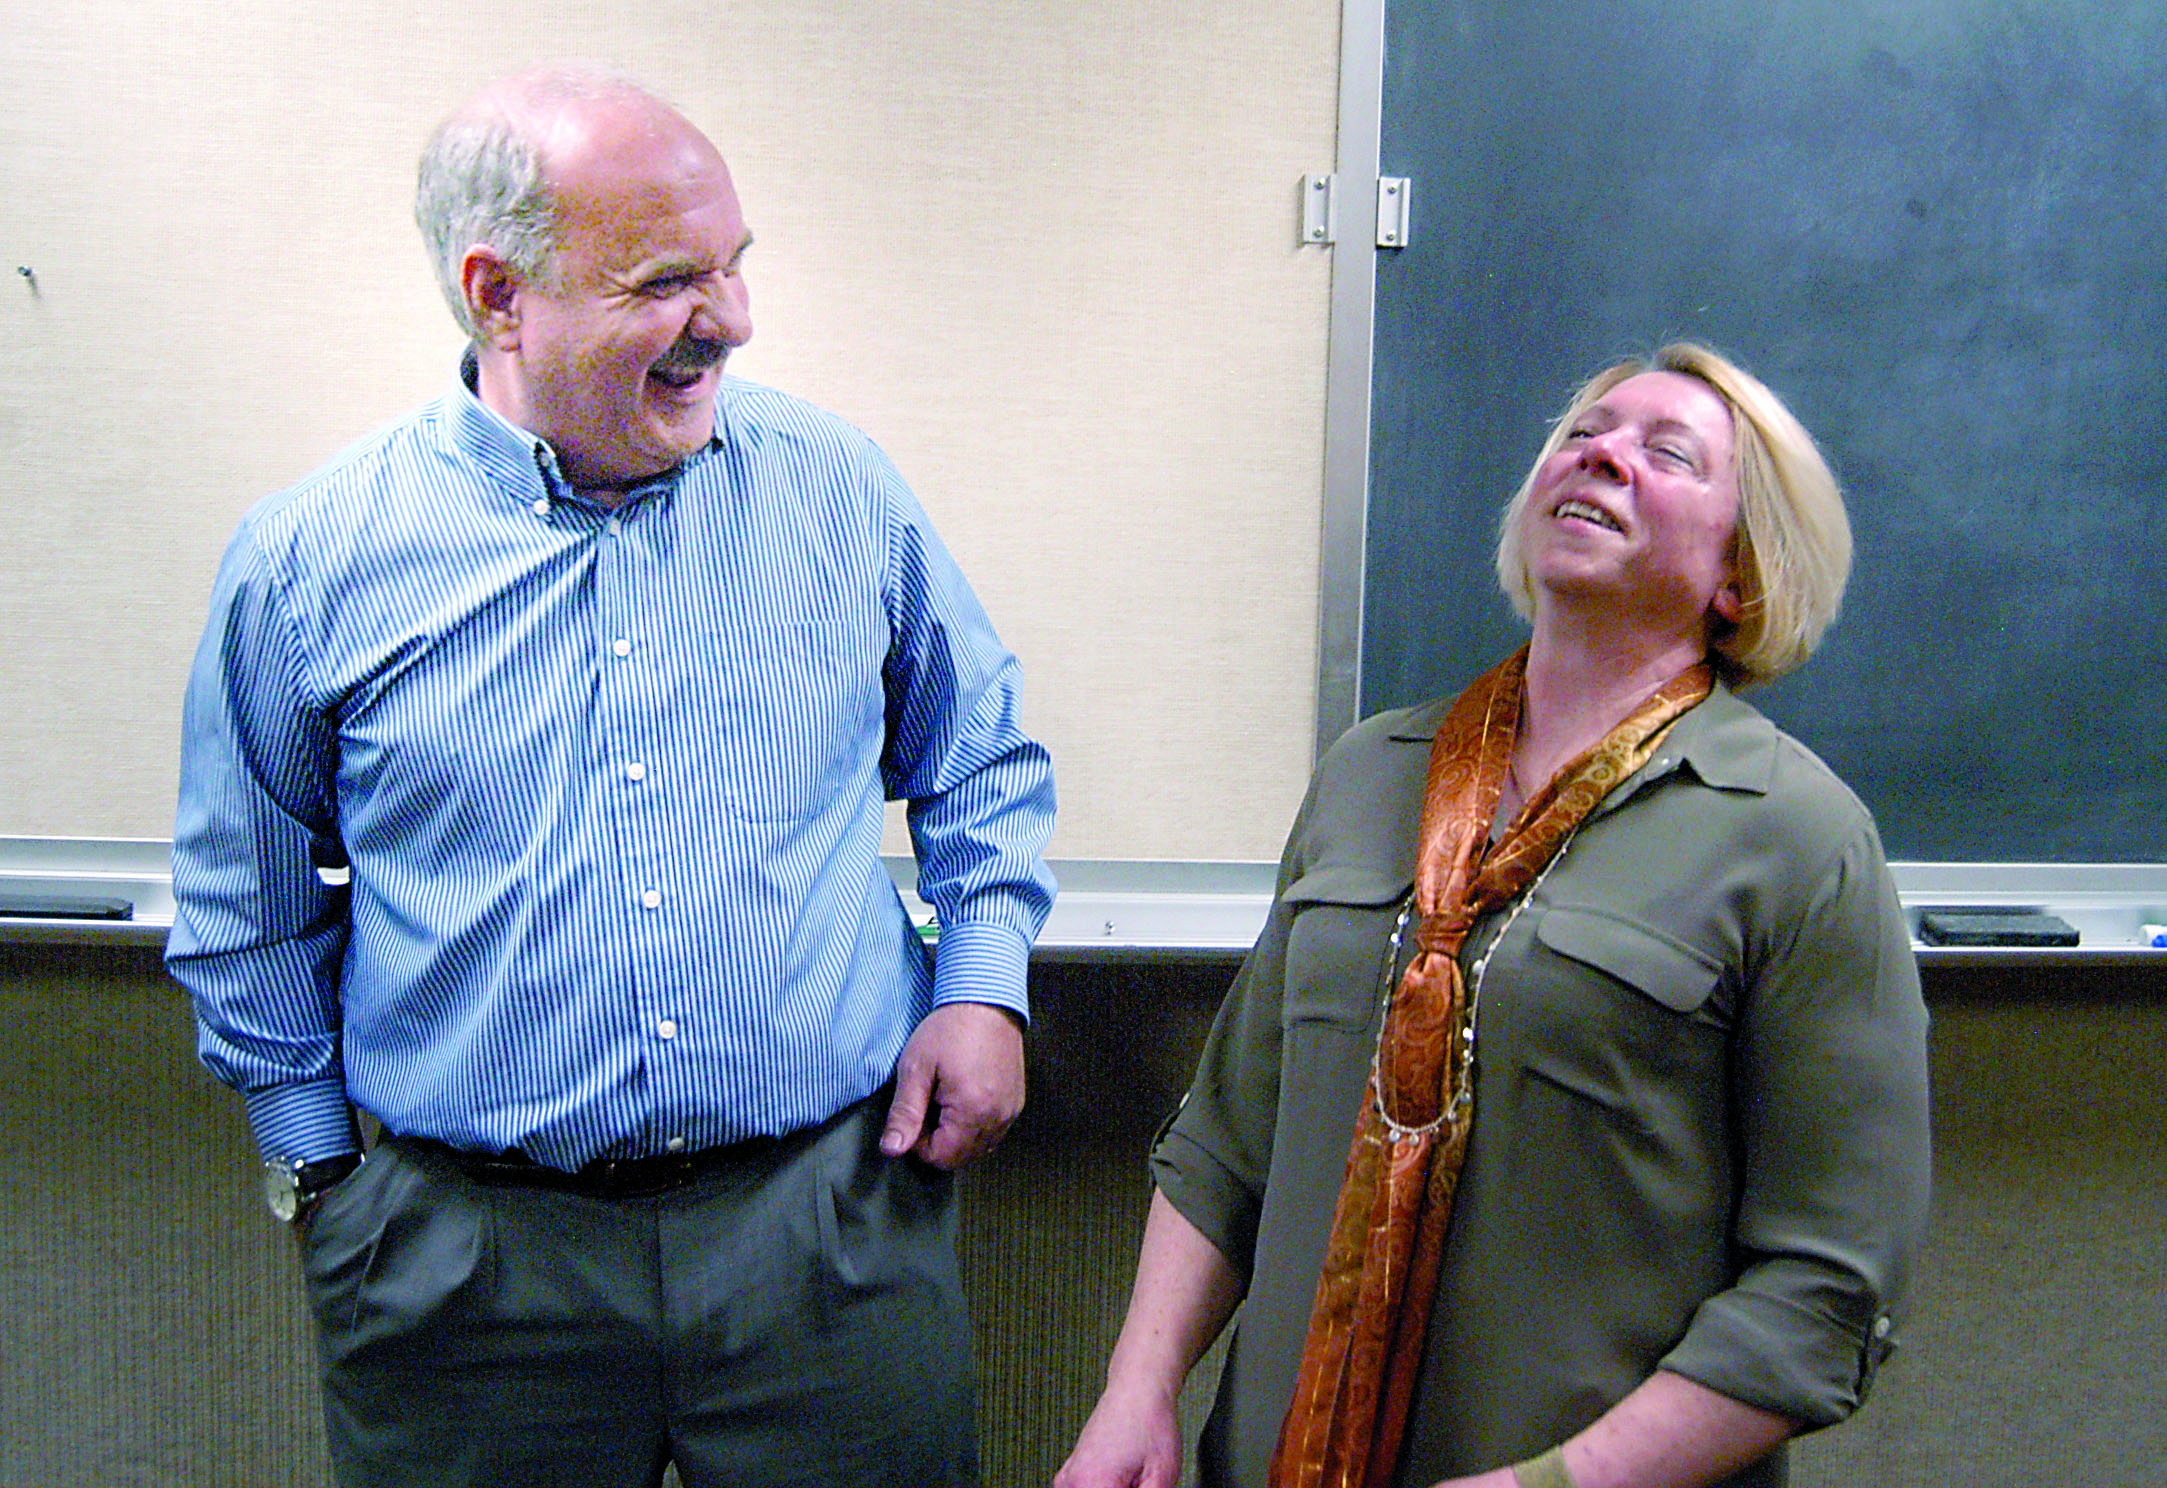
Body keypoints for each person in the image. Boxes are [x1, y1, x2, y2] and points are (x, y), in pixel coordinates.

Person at [166, 65, 1055, 1488]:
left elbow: (982, 760)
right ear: (495, 293)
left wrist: (982, 986)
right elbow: (244, 909)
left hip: (826, 1234)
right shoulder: (310, 563)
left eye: (732, 266)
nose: (730, 320)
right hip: (469, 1278)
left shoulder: (835, 492)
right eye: (663, 281)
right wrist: (331, 1187)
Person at [1055, 344, 1930, 1488]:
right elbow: (1227, 1142)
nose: (1601, 453)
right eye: (1581, 434)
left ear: (1741, 576)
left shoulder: (1796, 837)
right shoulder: (1372, 773)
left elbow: (1826, 1290)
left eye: (1665, 454)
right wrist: (1137, 1393)